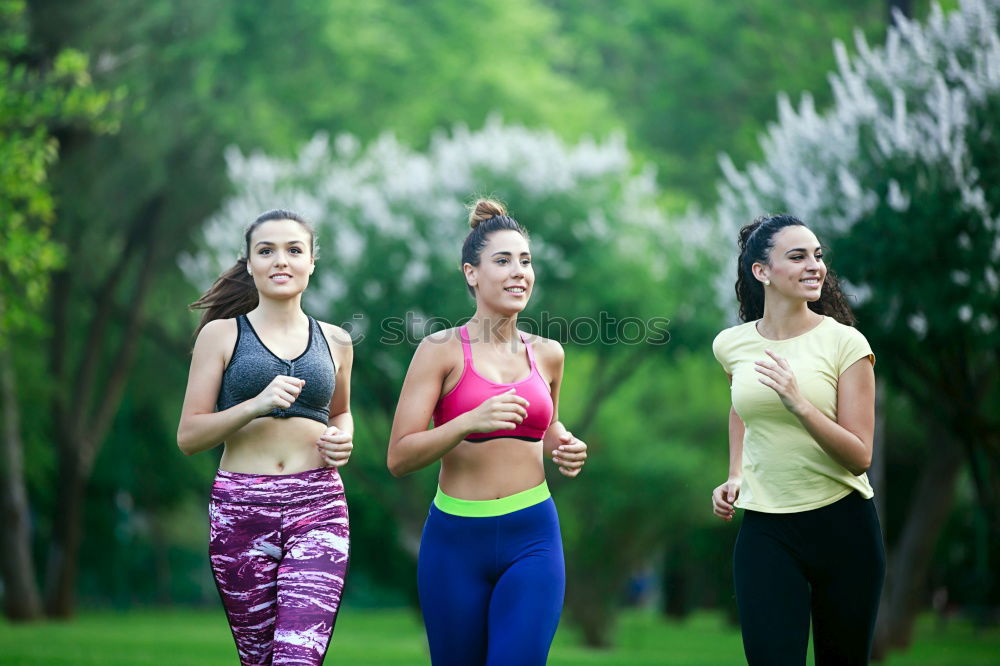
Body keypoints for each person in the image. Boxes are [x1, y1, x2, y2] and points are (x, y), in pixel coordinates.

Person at [387, 199, 588, 666]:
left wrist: (566, 444)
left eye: (526, 261)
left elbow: (545, 424)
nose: (519, 272)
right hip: (454, 542)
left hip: (533, 535)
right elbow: (399, 456)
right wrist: (466, 423)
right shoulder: (440, 351)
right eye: (503, 261)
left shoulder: (549, 354)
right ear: (471, 273)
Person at [177, 209, 354, 666]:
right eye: (267, 250)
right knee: (258, 660)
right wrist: (255, 404)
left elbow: (342, 413)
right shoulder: (221, 335)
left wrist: (342, 438)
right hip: (240, 510)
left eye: (294, 250)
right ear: (249, 262)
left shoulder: (335, 340)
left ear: (312, 261)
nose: (281, 260)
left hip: (317, 506)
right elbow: (190, 436)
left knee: (298, 656)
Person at [711, 214, 885, 665]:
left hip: (844, 528)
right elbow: (742, 408)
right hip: (766, 530)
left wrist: (800, 404)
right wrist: (735, 474)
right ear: (761, 272)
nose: (815, 266)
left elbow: (859, 456)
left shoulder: (846, 343)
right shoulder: (731, 345)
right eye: (798, 256)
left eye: (818, 255)